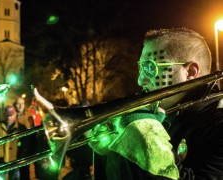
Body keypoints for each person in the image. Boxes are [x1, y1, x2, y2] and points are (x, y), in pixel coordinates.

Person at [89, 28, 223, 179]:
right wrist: (114, 157)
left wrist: (145, 134)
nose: (141, 80)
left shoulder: (218, 124)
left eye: (150, 67)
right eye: (141, 68)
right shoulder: (165, 114)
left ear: (190, 72)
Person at [0, 105, 28, 180]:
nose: (8, 118)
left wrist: (21, 159)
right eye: (7, 115)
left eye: (11, 115)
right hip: (0, 161)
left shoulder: (21, 128)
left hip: (14, 161)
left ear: (15, 114)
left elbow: (25, 146)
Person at [13, 97, 35, 179]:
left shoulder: (28, 116)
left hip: (25, 150)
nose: (20, 106)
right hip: (13, 150)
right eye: (18, 103)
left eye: (22, 103)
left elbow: (32, 134)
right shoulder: (11, 115)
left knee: (24, 172)